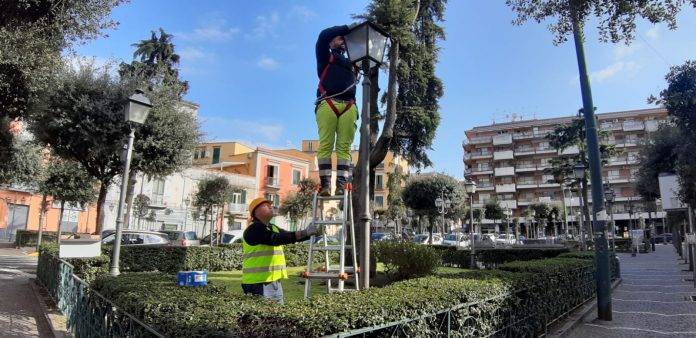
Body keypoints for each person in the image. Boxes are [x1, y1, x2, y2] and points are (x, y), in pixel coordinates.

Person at [241, 197, 323, 304]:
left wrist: (311, 233)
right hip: (258, 284)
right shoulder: (253, 229)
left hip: (273, 282)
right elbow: (276, 239)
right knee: (263, 317)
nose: (271, 207)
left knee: (276, 317)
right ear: (255, 212)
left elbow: (289, 236)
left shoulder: (272, 227)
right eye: (266, 205)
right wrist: (305, 232)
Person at [315, 24, 359, 196]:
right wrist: (347, 29)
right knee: (326, 144)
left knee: (344, 147)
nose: (342, 40)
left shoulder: (354, 62)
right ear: (331, 42)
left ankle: (341, 184)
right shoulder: (325, 56)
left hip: (349, 105)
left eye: (344, 39)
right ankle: (325, 185)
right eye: (339, 38)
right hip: (328, 102)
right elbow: (323, 35)